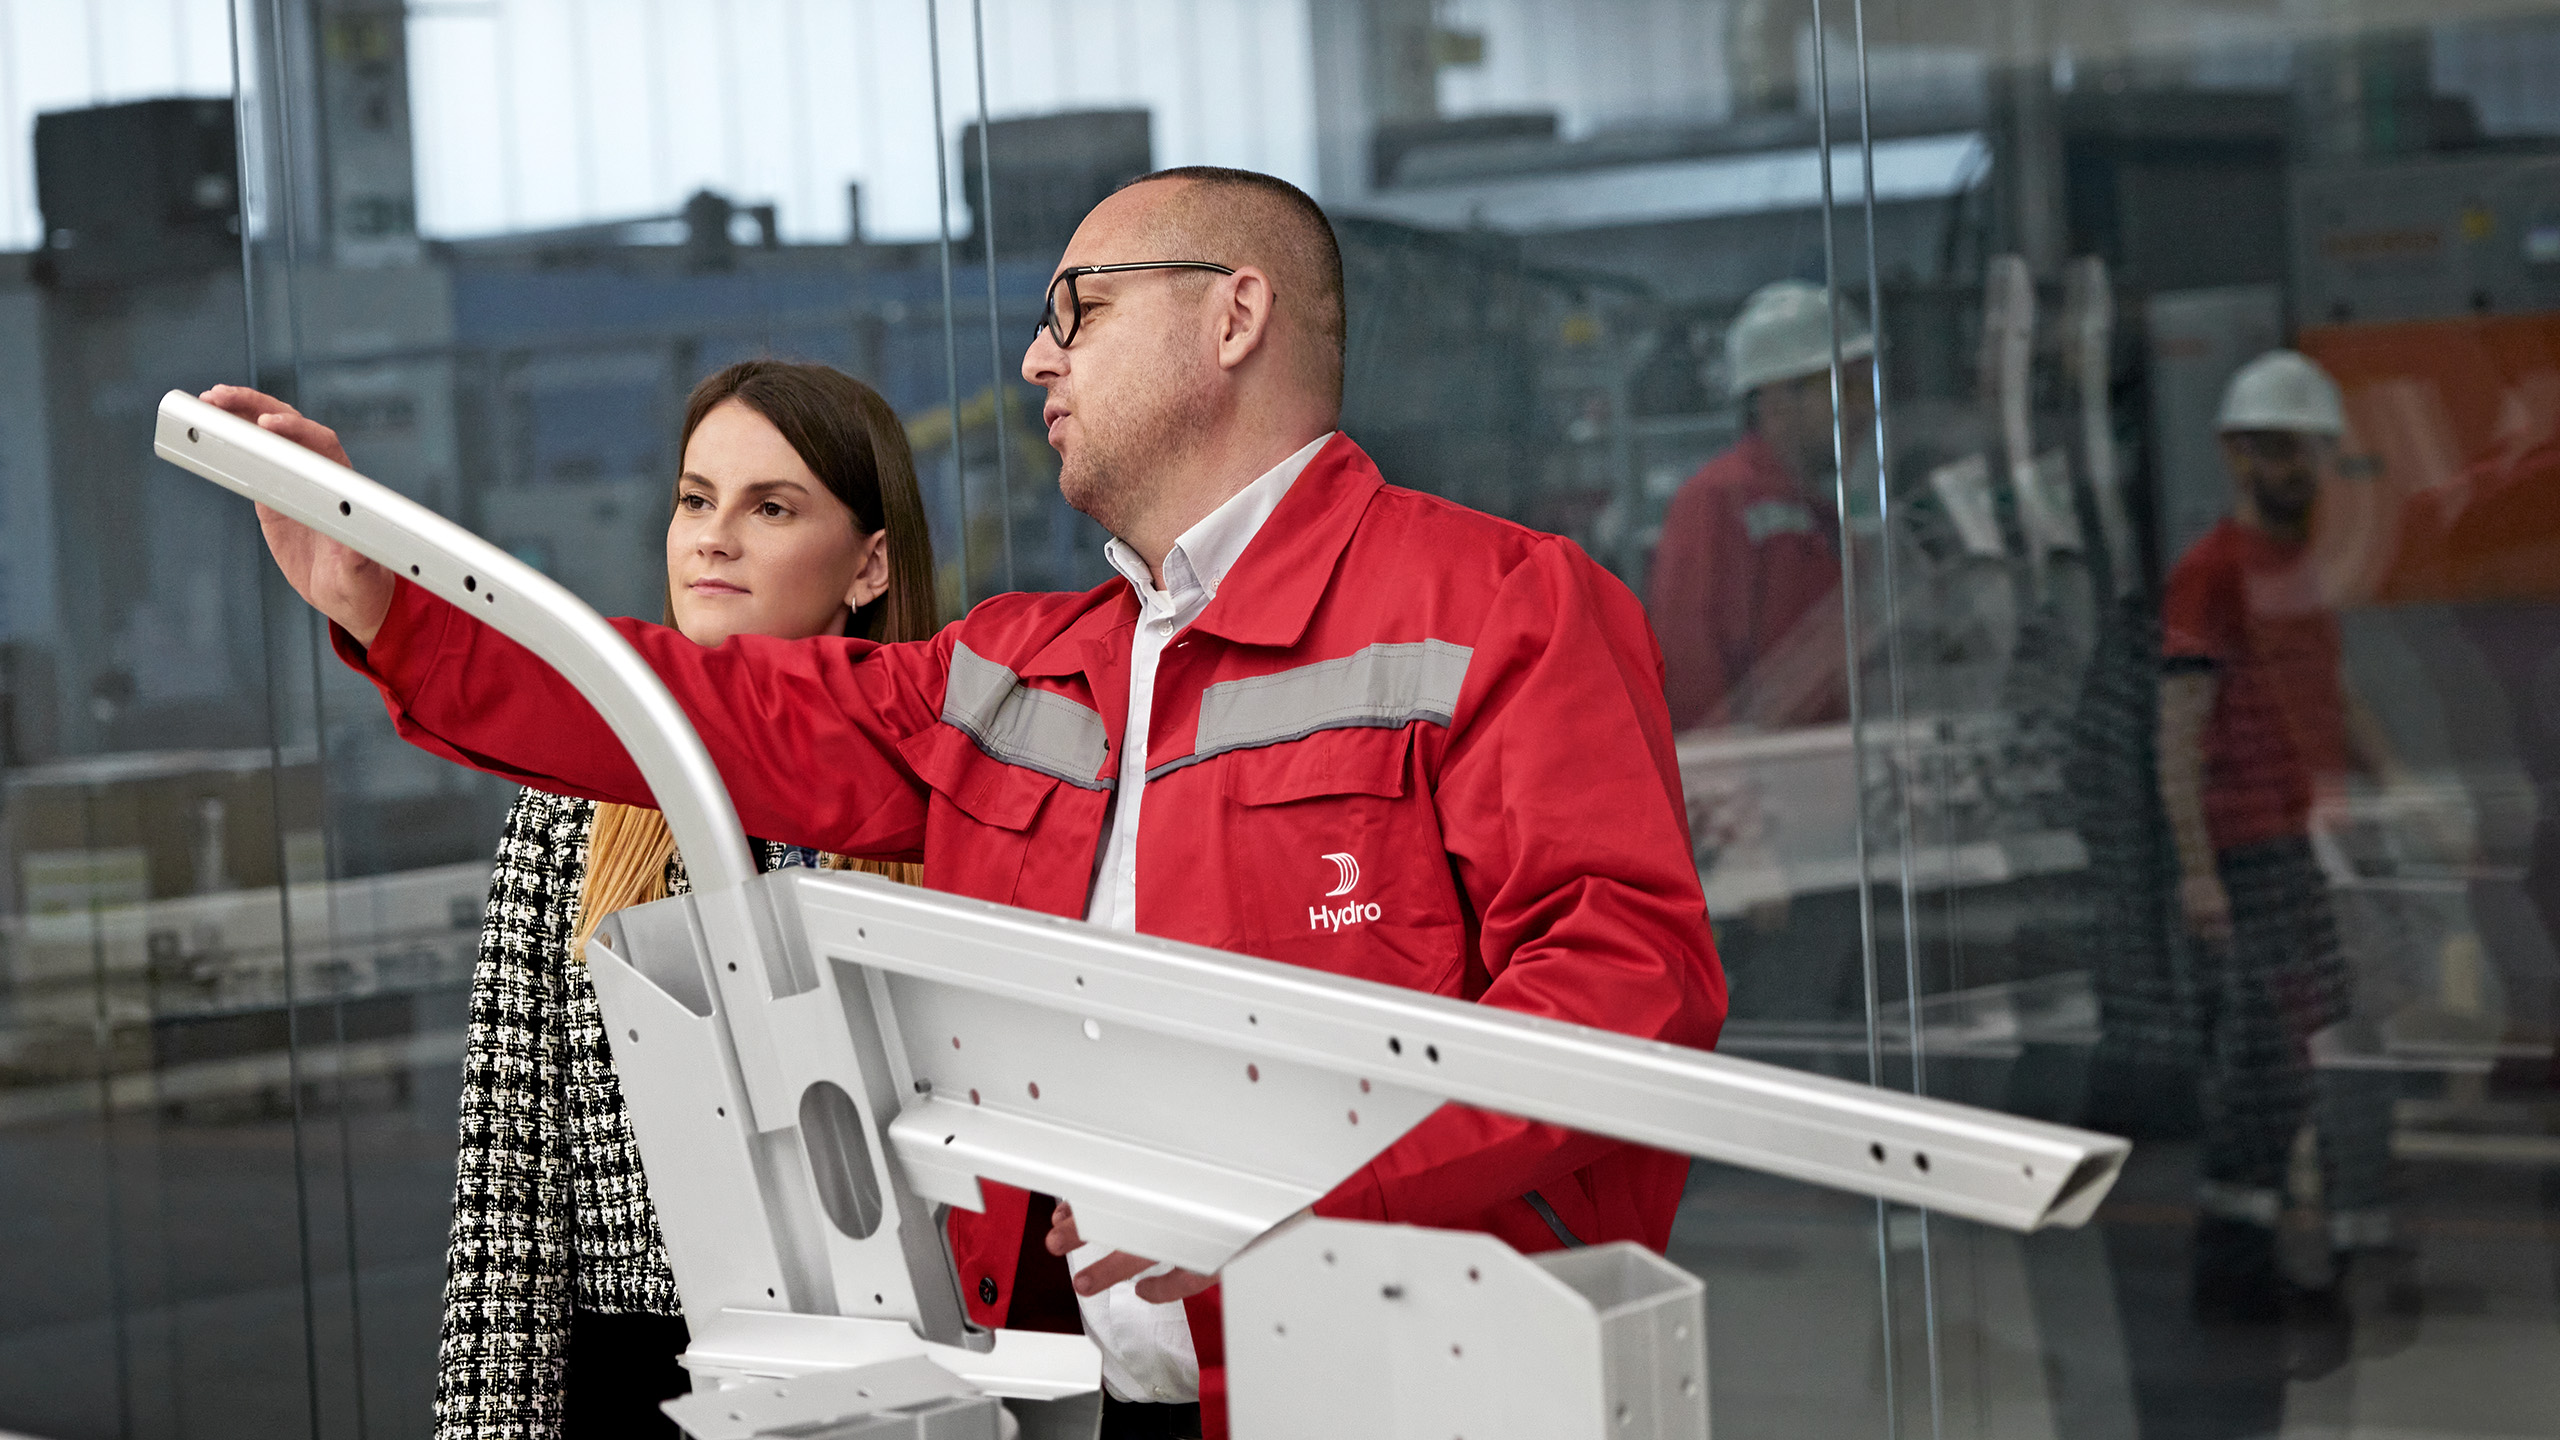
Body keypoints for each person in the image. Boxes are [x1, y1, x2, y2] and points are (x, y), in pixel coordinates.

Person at [228, 166, 1726, 1440]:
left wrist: (1299, 1205)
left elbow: (1624, 989)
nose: (1034, 361)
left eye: (1078, 311)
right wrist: (399, 602)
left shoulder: (1503, 607)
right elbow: (715, 708)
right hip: (1111, 1402)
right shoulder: (1024, 674)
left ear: (1234, 315)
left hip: (1395, 1382)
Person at [207, 361, 941, 1439]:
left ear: (870, 563)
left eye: (769, 507)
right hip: (633, 1380)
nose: (712, 538)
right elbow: (510, 1195)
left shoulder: (953, 817)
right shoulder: (571, 820)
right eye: (695, 499)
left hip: (895, 1376)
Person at [2157, 349, 2400, 1322]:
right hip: (2245, 853)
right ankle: (2231, 1272)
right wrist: (2197, 873)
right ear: (2240, 456)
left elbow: (2326, 694)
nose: (2301, 471)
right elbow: (2176, 731)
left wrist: (2393, 791)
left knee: (2313, 1048)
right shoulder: (2210, 574)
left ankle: (2294, 1254)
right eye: (2282, 452)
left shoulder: (2297, 566)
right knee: (2260, 1063)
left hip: (2302, 849)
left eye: (2311, 452)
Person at [1646, 278, 1874, 733]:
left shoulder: (1815, 511)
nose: (1864, 410)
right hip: (1760, 780)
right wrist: (1724, 781)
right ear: (1775, 400)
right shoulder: (1715, 501)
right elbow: (1688, 664)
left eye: (1863, 389)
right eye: (1844, 391)